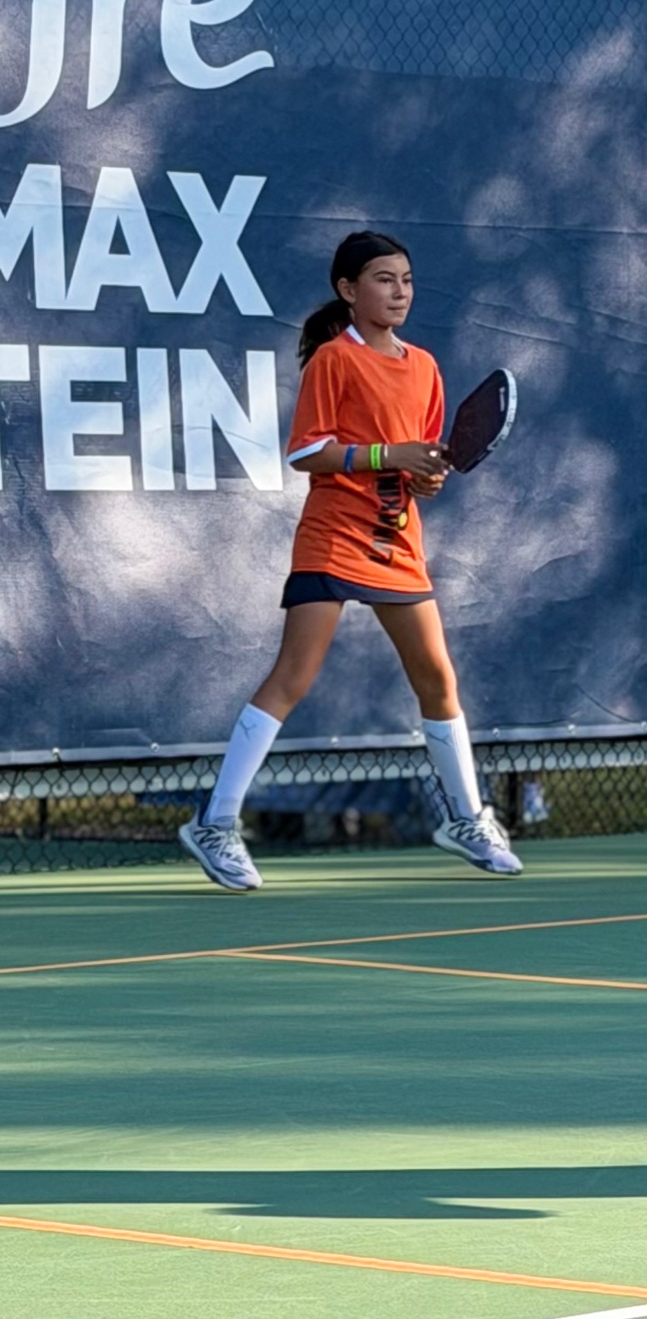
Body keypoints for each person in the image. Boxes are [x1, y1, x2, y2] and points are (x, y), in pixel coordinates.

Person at [179, 231, 522, 889]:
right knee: (293, 676)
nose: (399, 292)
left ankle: (466, 819)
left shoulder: (424, 367)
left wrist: (424, 475)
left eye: (406, 280)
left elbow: (418, 457)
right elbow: (306, 452)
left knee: (437, 680)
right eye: (384, 280)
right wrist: (388, 455)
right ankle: (214, 823)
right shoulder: (332, 361)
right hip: (333, 537)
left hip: (397, 543)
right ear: (348, 290)